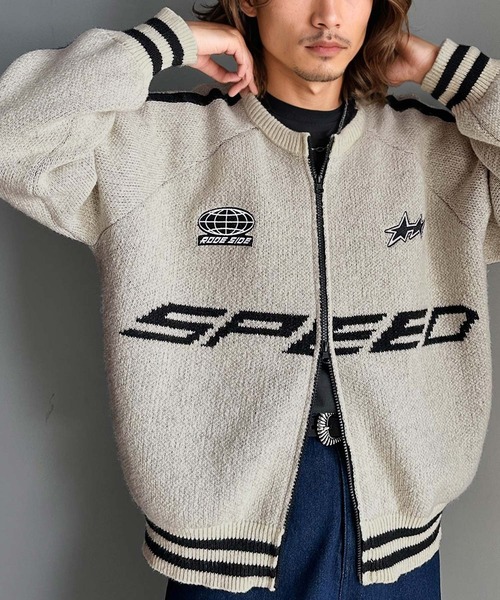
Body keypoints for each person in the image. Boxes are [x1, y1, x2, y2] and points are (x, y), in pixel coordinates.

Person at [0, 1, 498, 598]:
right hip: (217, 546)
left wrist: (455, 75)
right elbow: (13, 136)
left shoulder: (436, 153)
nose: (328, 15)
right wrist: (168, 43)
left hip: (397, 541)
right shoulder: (156, 143)